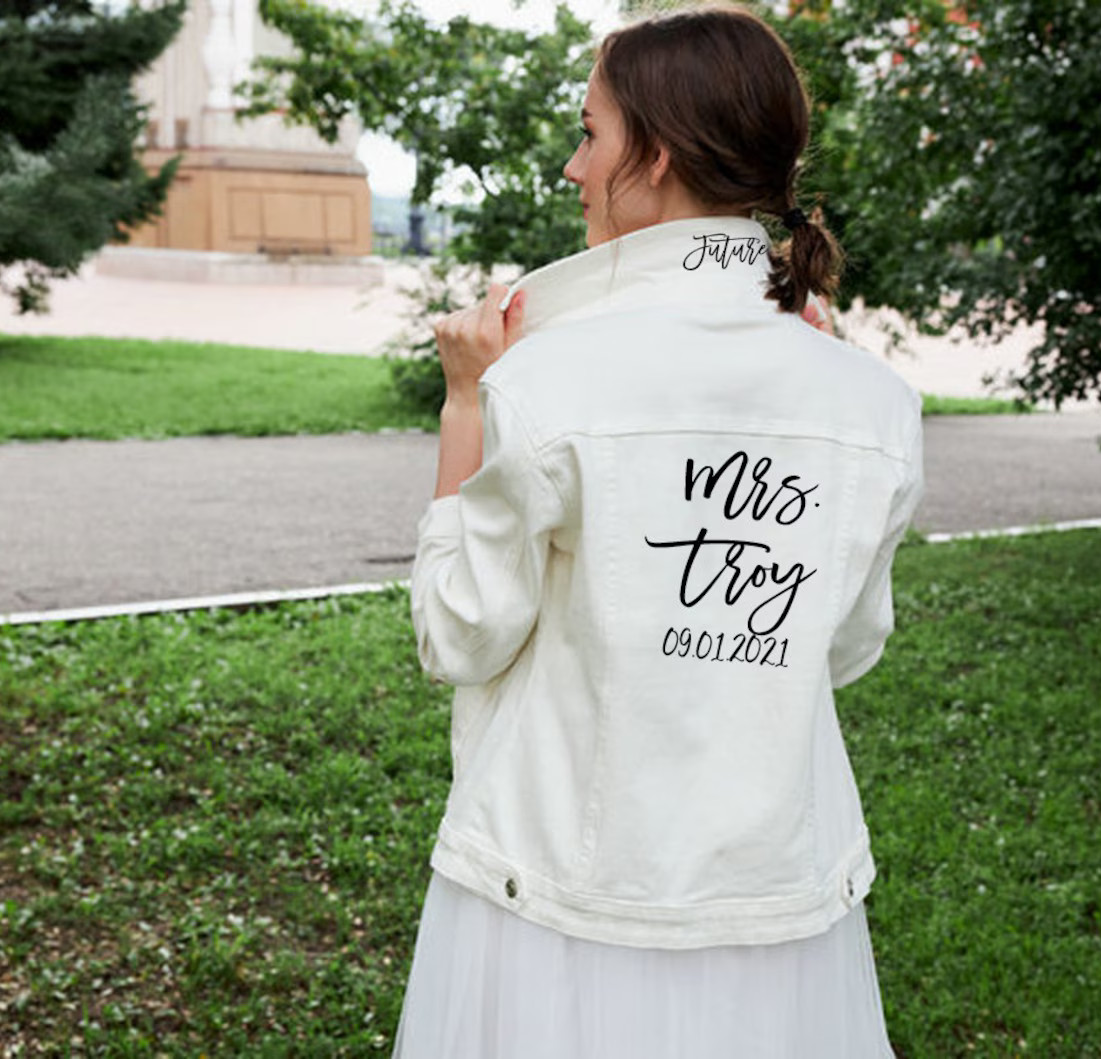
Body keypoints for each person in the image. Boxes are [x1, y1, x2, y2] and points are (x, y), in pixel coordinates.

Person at [395, 7, 922, 1057]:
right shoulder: (873, 401)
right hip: (774, 914)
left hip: (562, 910)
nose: (569, 165)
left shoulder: (546, 375)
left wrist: (464, 409)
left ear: (657, 153)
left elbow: (459, 636)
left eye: (588, 133)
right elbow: (847, 646)